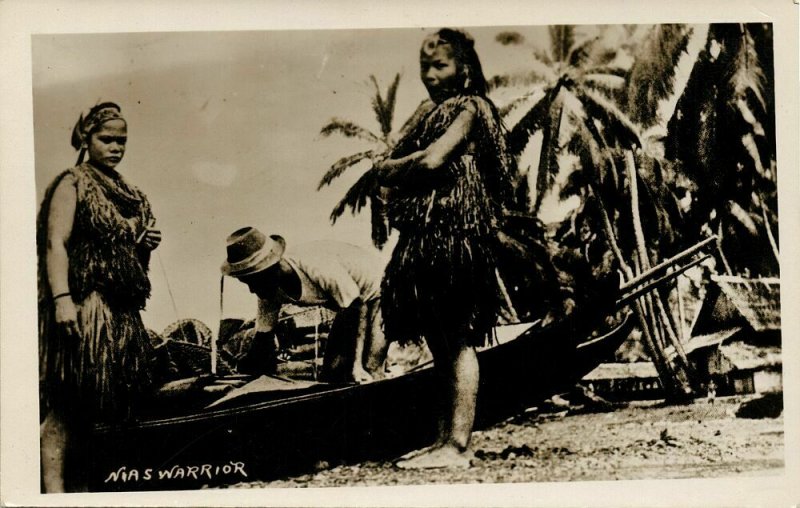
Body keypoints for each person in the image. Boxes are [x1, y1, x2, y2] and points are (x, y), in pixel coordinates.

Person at [369, 29, 514, 468]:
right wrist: (402, 165)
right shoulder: (433, 111)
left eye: (440, 66)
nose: (431, 76)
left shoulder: (471, 108)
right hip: (427, 238)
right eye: (424, 69)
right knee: (440, 341)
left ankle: (457, 446)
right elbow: (392, 165)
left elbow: (432, 160)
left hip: (455, 236)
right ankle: (441, 441)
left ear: (465, 68)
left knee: (455, 340)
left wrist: (397, 167)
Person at [37, 102, 162, 492]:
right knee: (68, 401)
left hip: (120, 311)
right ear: (85, 139)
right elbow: (56, 243)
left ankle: (82, 490)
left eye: (121, 141)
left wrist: (145, 245)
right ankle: (53, 492)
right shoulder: (72, 183)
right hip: (84, 305)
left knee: (101, 404)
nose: (116, 147)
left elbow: (131, 262)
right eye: (106, 139)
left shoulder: (133, 194)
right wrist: (62, 299)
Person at [221, 226, 387, 383]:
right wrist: (247, 370)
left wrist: (355, 365)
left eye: (254, 282)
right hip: (350, 307)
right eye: (246, 283)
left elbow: (356, 307)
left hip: (381, 292)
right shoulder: (269, 292)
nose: (252, 290)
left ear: (271, 268)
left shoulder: (317, 264)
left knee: (368, 369)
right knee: (331, 374)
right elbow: (263, 338)